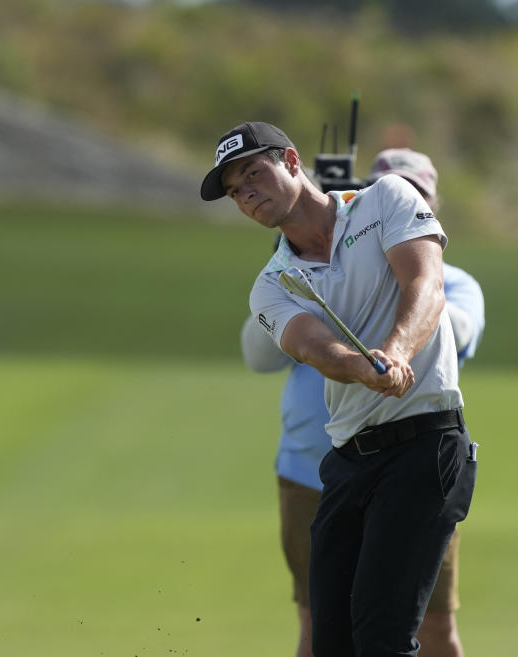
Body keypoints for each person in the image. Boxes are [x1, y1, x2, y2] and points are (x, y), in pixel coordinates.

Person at [201, 122, 477, 657]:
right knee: (331, 643)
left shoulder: (386, 200)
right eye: (235, 190)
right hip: (348, 461)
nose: (246, 194)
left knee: (382, 639)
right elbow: (311, 346)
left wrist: (395, 353)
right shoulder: (273, 284)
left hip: (424, 446)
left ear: (291, 159)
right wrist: (357, 366)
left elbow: (426, 285)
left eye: (253, 174)